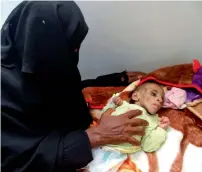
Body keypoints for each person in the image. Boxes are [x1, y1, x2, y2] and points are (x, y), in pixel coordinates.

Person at [1, 1, 148, 172]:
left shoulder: (38, 56)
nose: (74, 52)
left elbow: (59, 89)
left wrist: (109, 80)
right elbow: (17, 160)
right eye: (70, 48)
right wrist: (95, 136)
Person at [101, 82, 170, 153]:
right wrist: (113, 104)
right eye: (154, 94)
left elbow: (148, 146)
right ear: (135, 96)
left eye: (162, 99)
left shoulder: (153, 120)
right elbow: (103, 117)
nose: (160, 100)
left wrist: (161, 129)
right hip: (101, 141)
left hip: (121, 152)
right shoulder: (123, 105)